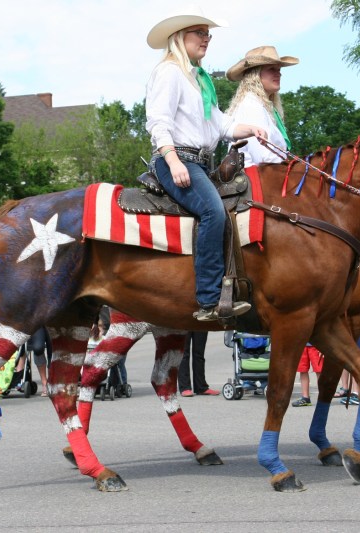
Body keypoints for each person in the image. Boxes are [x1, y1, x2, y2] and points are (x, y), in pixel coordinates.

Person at [145, 5, 267, 321]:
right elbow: (157, 122)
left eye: (208, 34)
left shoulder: (199, 81)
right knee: (213, 211)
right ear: (179, 37)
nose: (206, 39)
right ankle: (209, 299)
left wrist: (251, 129)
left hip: (200, 162)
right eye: (200, 33)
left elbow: (223, 125)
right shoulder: (170, 71)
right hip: (177, 159)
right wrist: (173, 162)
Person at [226, 45, 298, 166]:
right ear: (255, 74)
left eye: (279, 70)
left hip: (267, 177)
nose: (279, 74)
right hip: (257, 180)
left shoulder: (263, 106)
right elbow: (263, 157)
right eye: (272, 69)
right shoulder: (251, 105)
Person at [178, 331, 219, 397]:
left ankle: (201, 387)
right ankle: (184, 387)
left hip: (200, 321)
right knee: (183, 353)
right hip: (184, 322)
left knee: (199, 353)